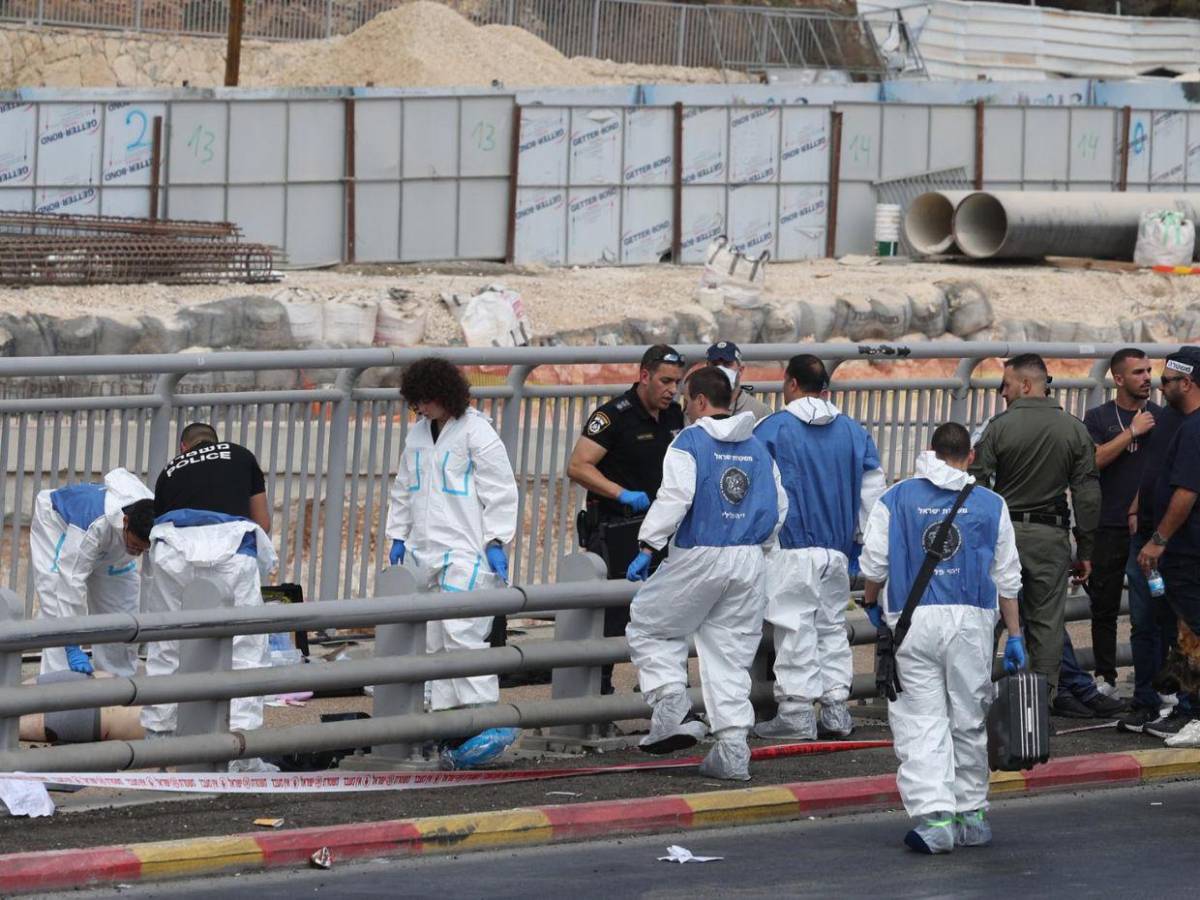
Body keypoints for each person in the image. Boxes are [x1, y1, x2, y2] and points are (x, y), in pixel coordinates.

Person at [859, 423, 1024, 855]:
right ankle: (972, 815)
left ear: (929, 451)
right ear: (970, 456)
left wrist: (873, 603)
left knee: (921, 720)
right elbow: (1007, 577)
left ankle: (936, 819)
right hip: (973, 621)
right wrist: (1016, 636)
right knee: (969, 716)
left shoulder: (895, 498)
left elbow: (874, 564)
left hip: (912, 623)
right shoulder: (991, 504)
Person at [624, 367, 788, 781]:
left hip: (700, 552)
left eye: (685, 398)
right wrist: (759, 548)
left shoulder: (689, 441)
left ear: (698, 401)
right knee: (730, 654)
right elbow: (779, 509)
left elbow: (675, 497)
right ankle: (733, 749)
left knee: (650, 625)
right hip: (749, 558)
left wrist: (649, 544)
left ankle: (670, 707)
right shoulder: (758, 449)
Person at [386, 357, 519, 757]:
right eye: (416, 404)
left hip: (466, 551)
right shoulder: (418, 435)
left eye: (425, 402)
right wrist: (397, 535)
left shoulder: (478, 433)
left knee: (462, 635)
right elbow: (405, 486)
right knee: (434, 641)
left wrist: (496, 539)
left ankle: (483, 721)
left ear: (445, 396)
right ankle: (448, 727)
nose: (421, 410)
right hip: (424, 551)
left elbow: (500, 489)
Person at [752, 354, 886, 739]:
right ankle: (835, 710)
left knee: (794, 629)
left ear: (791, 383)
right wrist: (865, 547)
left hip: (790, 549)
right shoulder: (855, 432)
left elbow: (762, 494)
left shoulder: (771, 429)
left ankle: (795, 713)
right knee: (830, 629)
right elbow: (872, 497)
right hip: (838, 552)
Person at [970, 353, 1104, 713]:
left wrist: (979, 537)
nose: (1003, 393)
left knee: (990, 618)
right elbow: (1088, 495)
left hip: (1003, 537)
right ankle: (1038, 712)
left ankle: (974, 704)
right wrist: (1086, 548)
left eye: (1007, 385)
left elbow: (977, 485)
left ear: (1026, 385)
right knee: (1046, 627)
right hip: (1051, 538)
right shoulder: (1074, 429)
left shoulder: (997, 428)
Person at [141, 422, 277, 767]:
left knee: (168, 646)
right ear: (215, 442)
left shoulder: (169, 470)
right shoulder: (241, 455)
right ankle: (243, 755)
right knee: (245, 650)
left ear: (183, 447)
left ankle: (160, 747)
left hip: (172, 552)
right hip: (230, 547)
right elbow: (262, 521)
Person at [567, 344, 686, 694]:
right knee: (610, 618)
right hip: (617, 528)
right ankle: (599, 694)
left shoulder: (674, 416)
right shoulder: (614, 415)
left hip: (659, 532)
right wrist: (620, 493)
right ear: (644, 376)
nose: (671, 390)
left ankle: (660, 691)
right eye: (665, 381)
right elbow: (578, 466)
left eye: (677, 383)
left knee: (665, 613)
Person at [1082, 348, 1161, 695]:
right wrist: (1131, 432)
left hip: (1149, 530)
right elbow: (1093, 461)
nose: (1147, 378)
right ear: (1118, 378)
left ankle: (1160, 680)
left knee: (1154, 609)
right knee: (1105, 604)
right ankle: (1106, 677)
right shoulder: (1098, 418)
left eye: (1148, 371)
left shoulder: (1162, 416)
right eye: (1138, 372)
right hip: (1108, 524)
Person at [30, 468, 155, 678]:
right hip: (58, 525)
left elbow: (155, 579)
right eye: (135, 546)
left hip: (113, 539)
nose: (137, 553)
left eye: (143, 550)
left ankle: (118, 685)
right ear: (125, 522)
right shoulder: (92, 524)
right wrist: (71, 643)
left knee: (121, 612)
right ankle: (60, 685)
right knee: (55, 600)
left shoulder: (154, 519)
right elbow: (71, 582)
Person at [1136, 347, 1200, 745]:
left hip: (1188, 553)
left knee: (1192, 633)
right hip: (1189, 551)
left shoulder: (1194, 429)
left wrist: (1158, 541)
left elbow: (1187, 491)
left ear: (1187, 383)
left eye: (1166, 381)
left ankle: (1195, 713)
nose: (1161, 388)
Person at [684, 341, 771, 423]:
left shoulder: (760, 411)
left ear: (740, 370)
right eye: (715, 364)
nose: (720, 369)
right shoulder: (696, 407)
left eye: (727, 364)